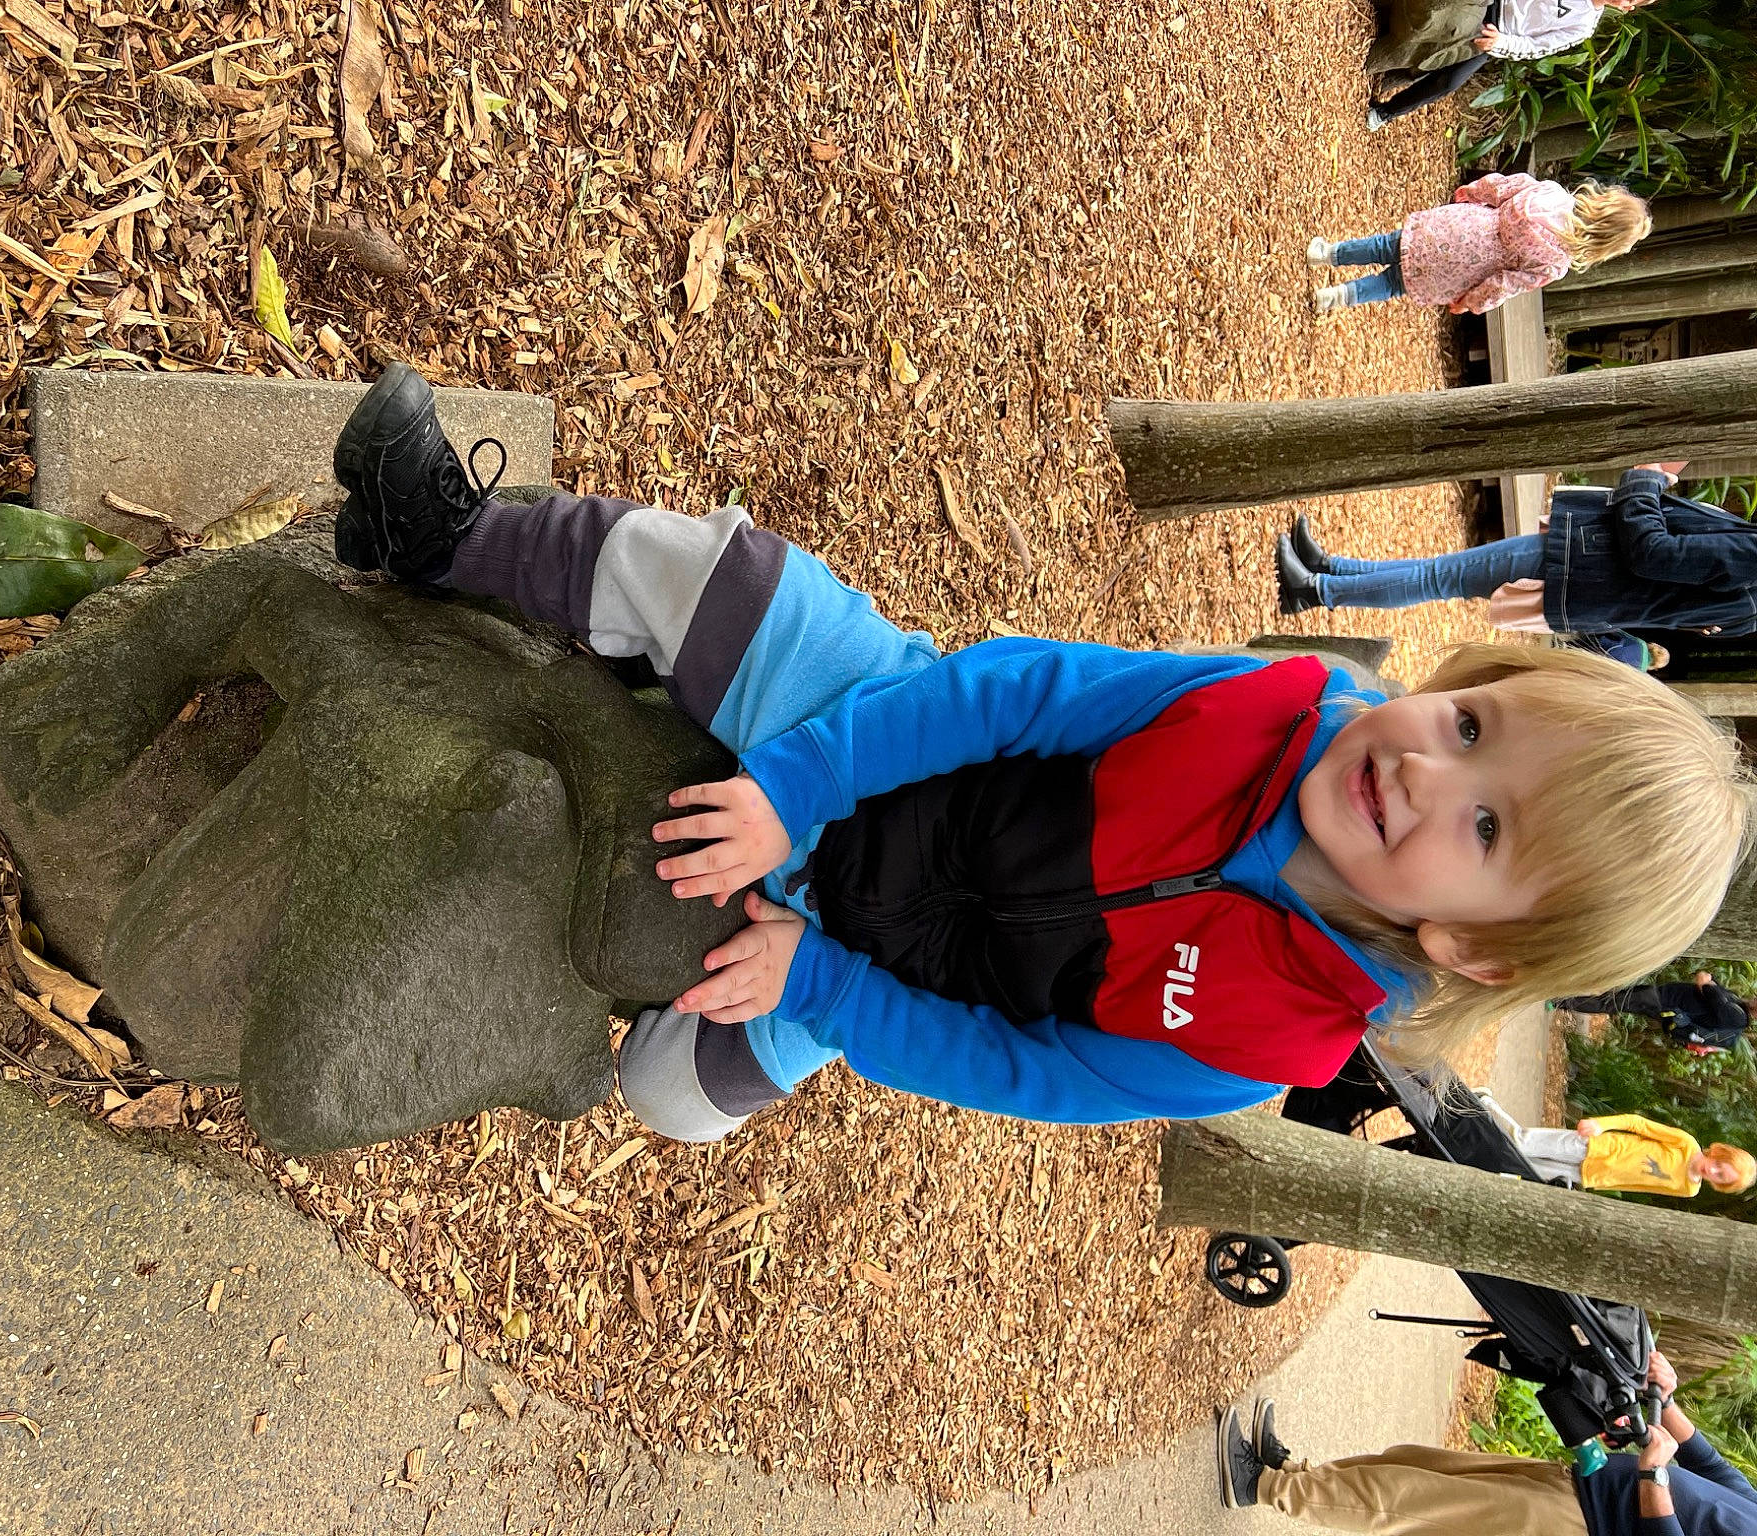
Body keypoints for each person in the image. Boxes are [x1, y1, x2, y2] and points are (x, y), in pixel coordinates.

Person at [332, 363, 1752, 1144]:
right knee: (720, 577)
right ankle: (440, 542)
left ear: (1481, 955)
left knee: (673, 1102)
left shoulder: (1255, 1051)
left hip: (879, 971)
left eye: (1489, 829)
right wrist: (793, 788)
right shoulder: (1280, 707)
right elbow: (1012, 692)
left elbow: (1016, 1067)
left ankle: (573, 968)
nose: (1429, 773)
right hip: (887, 758)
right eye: (1468, 723)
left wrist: (817, 979)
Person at [1220, 1353, 1757, 1535]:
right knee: (1418, 1465)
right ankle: (1294, 1473)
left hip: (1581, 1525)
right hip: (1584, 1483)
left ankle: (1262, 1487)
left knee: (1410, 1502)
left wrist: (1652, 1475)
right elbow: (1714, 1470)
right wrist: (1662, 1394)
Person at [1276, 464, 1757, 643]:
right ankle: (1330, 569)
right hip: (1584, 585)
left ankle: (1315, 591)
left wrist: (1645, 479)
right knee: (1438, 573)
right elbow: (1683, 610)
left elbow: (1653, 553)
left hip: (1578, 561)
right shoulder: (1751, 615)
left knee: (1437, 578)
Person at [1308, 175, 1649, 316]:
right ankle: (1336, 297)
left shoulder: (1552, 193)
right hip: (1463, 272)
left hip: (1461, 228)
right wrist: (1470, 303)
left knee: (1387, 246)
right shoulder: (1555, 264)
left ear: (1604, 199)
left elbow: (1499, 187)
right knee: (1393, 284)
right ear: (1608, 245)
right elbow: (1502, 285)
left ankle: (1328, 254)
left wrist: (1468, 194)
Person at [1366, 0, 1658, 129]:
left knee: (1449, 81)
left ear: (1626, 7)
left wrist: (1501, 43)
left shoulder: (1582, 26)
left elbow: (1536, 47)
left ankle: (1385, 111)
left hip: (1499, 31)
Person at [1481, 1104, 1757, 1195]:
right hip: (1597, 1146)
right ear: (1719, 1154)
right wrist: (1601, 1125)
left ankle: (1474, 1148)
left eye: (1721, 1176)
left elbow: (1638, 1186)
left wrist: (1601, 1184)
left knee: (1524, 1165)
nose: (1714, 1170)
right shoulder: (1687, 1144)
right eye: (1720, 1165)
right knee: (1523, 1141)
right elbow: (1638, 1124)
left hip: (1592, 1175)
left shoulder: (1689, 1189)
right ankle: (1483, 1106)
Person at [1557, 974, 1753, 1054]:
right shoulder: (1736, 1003)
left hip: (1663, 1004)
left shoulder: (1737, 1017)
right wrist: (1708, 985)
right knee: (1614, 999)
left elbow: (1705, 983)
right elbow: (1709, 984)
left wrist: (1707, 985)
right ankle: (1563, 997)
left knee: (1611, 1003)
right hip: (1663, 996)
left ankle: (1560, 1001)